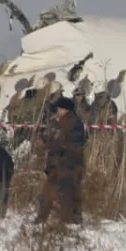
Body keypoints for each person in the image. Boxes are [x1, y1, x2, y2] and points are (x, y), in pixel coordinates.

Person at [36, 96, 87, 226]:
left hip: (68, 164)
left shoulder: (74, 123)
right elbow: (54, 139)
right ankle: (42, 219)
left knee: (67, 194)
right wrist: (44, 141)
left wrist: (52, 145)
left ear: (65, 109)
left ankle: (70, 221)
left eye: (59, 108)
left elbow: (70, 144)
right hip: (57, 164)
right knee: (50, 192)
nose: (57, 110)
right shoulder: (59, 122)